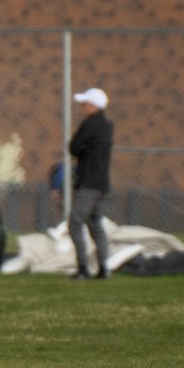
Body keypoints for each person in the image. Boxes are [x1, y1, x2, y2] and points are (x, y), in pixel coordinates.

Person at [68, 87, 114, 280]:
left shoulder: (90, 124)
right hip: (102, 183)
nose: (82, 107)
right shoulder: (107, 125)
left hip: (88, 183)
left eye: (85, 103)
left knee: (75, 223)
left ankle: (83, 268)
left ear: (94, 105)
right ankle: (104, 267)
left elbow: (74, 146)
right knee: (96, 224)